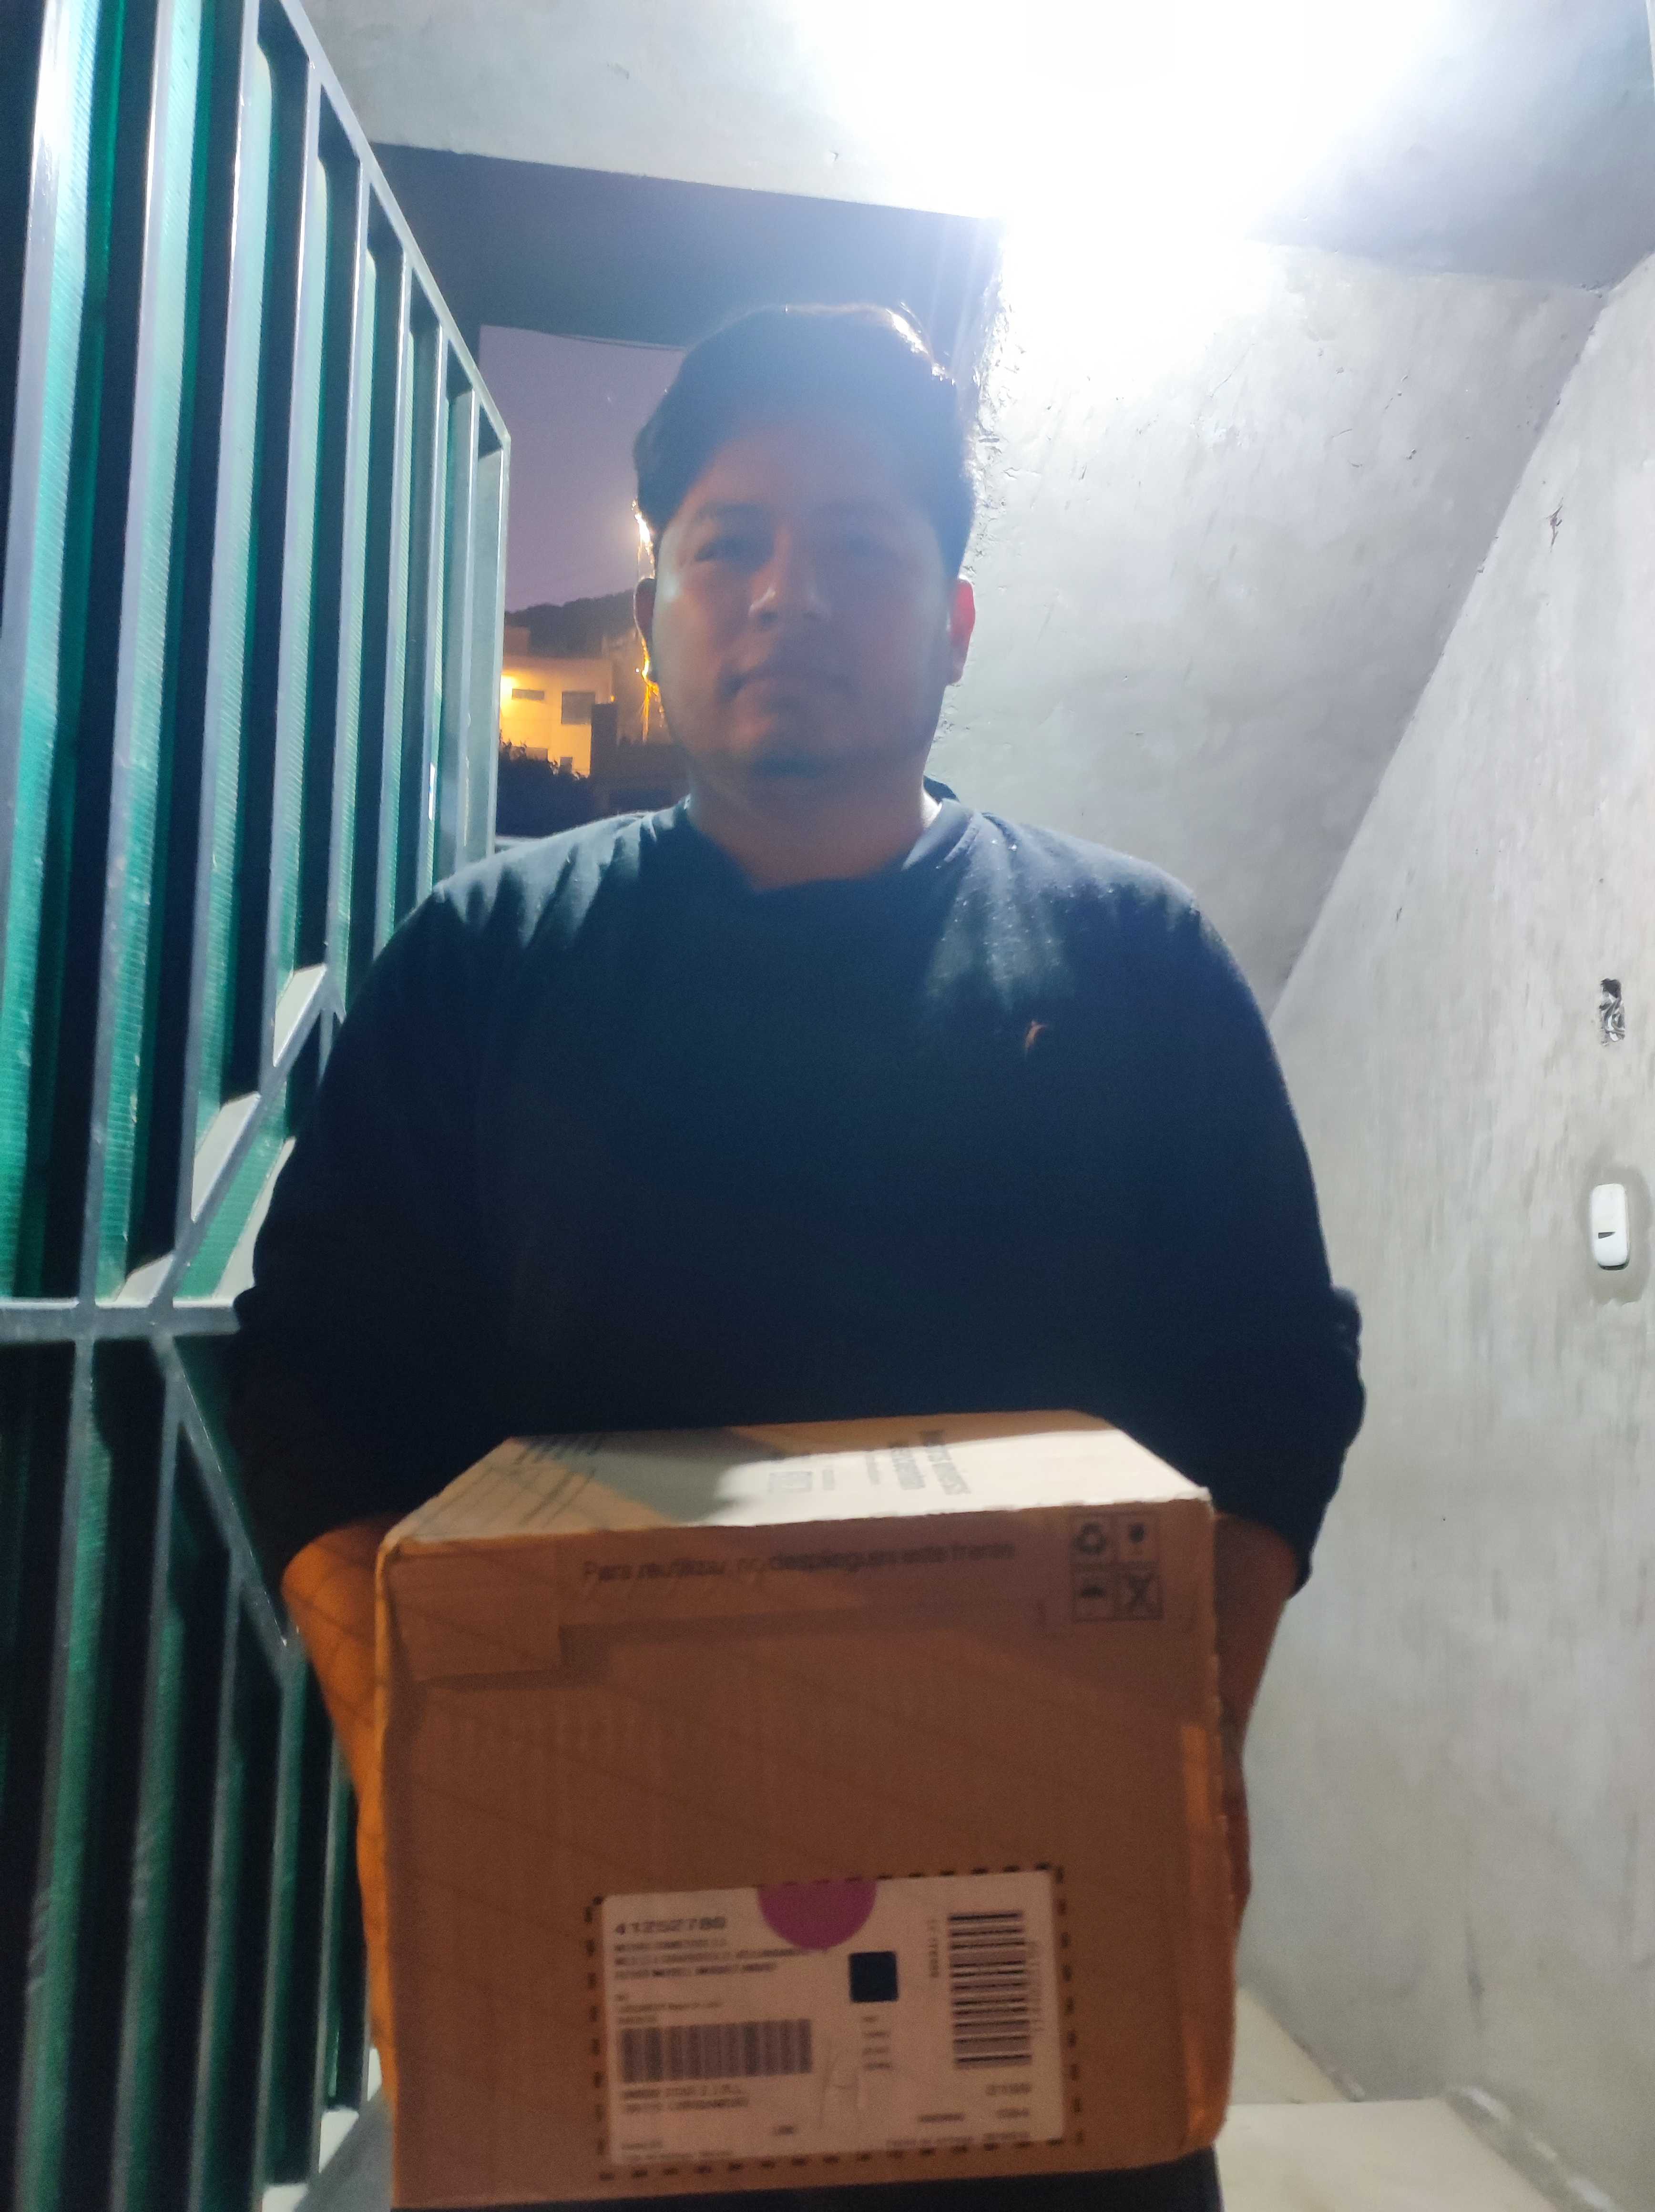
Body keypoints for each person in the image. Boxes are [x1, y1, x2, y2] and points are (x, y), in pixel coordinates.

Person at [233, 303, 1363, 2212]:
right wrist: (413, 1775)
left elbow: (1274, 1382)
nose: (787, 595)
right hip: (594, 1972)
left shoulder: (1133, 961)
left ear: (955, 620)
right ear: (654, 612)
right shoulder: (478, 967)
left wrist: (1176, 1755)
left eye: (858, 545)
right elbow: (316, 1383)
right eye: (729, 546)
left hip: (1039, 1969)